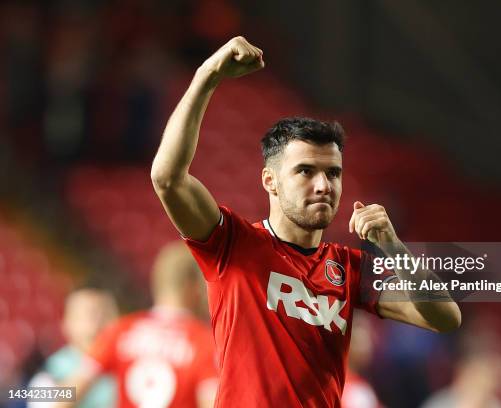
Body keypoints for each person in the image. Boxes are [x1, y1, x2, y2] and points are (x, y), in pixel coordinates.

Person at [151, 36, 461, 407]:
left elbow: (445, 317)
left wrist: (393, 247)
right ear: (270, 181)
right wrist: (208, 75)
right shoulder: (232, 245)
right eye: (305, 171)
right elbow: (168, 178)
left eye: (333, 173)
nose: (323, 185)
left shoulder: (349, 271)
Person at [62, 241, 218, 408]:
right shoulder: (205, 343)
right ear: (194, 286)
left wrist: (37, 394)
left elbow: (68, 393)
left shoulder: (122, 331)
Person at [28, 288, 118, 408]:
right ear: (67, 324)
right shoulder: (50, 372)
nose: (98, 324)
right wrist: (93, 366)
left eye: (105, 314)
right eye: (90, 315)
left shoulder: (133, 362)